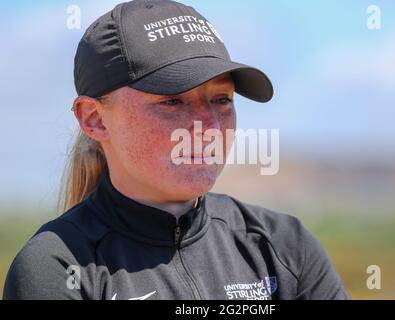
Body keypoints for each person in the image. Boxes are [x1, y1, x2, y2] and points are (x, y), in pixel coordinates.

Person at [3, 0, 349, 300]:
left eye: (221, 99)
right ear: (94, 119)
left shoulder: (282, 245)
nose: (207, 126)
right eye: (172, 101)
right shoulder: (58, 266)